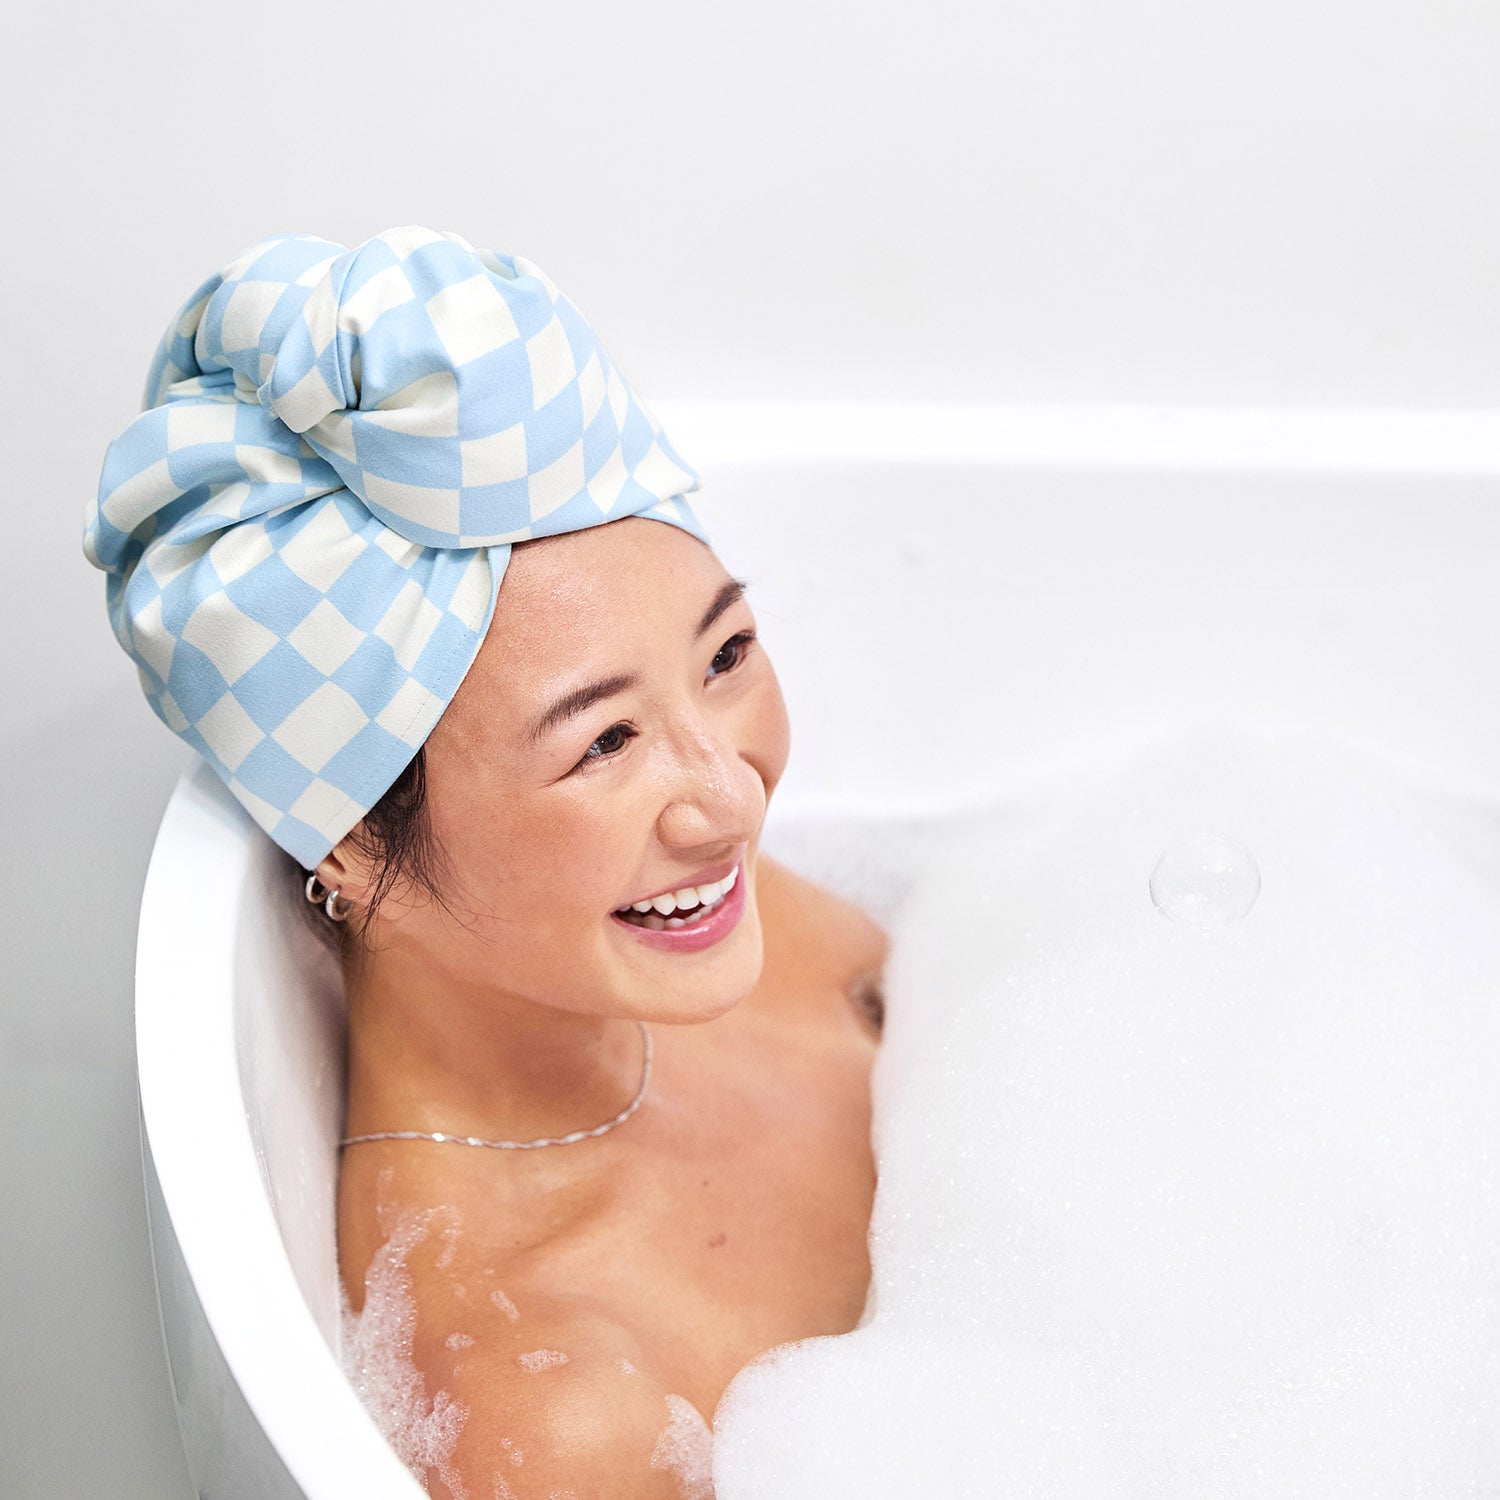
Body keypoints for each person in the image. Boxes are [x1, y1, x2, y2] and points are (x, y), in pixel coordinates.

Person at [86, 225, 889, 1499]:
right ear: (355, 846)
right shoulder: (552, 1413)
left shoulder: (706, 923)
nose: (731, 800)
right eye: (605, 741)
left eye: (726, 656)